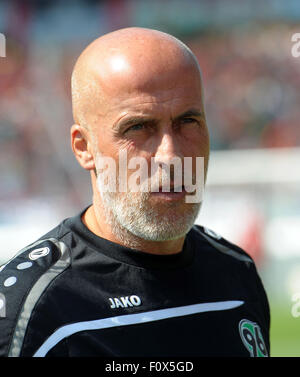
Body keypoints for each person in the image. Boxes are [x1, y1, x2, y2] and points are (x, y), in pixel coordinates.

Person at [0, 27, 270, 357]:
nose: (171, 156)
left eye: (187, 122)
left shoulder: (236, 273)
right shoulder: (31, 310)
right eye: (139, 127)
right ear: (84, 148)